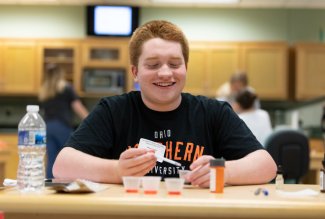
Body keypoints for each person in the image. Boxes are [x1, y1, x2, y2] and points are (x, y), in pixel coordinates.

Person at [53, 20, 276, 187]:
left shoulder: (213, 112)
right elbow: (62, 166)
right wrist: (118, 170)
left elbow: (267, 166)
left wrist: (223, 171)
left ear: (185, 68)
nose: (165, 73)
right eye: (153, 64)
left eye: (174, 63)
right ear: (135, 72)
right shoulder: (113, 111)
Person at [38, 63, 89, 179]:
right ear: (60, 74)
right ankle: (68, 187)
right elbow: (78, 108)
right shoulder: (66, 88)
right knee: (68, 157)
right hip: (61, 127)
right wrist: (93, 121)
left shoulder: (44, 90)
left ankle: (50, 188)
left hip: (47, 128)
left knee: (51, 159)